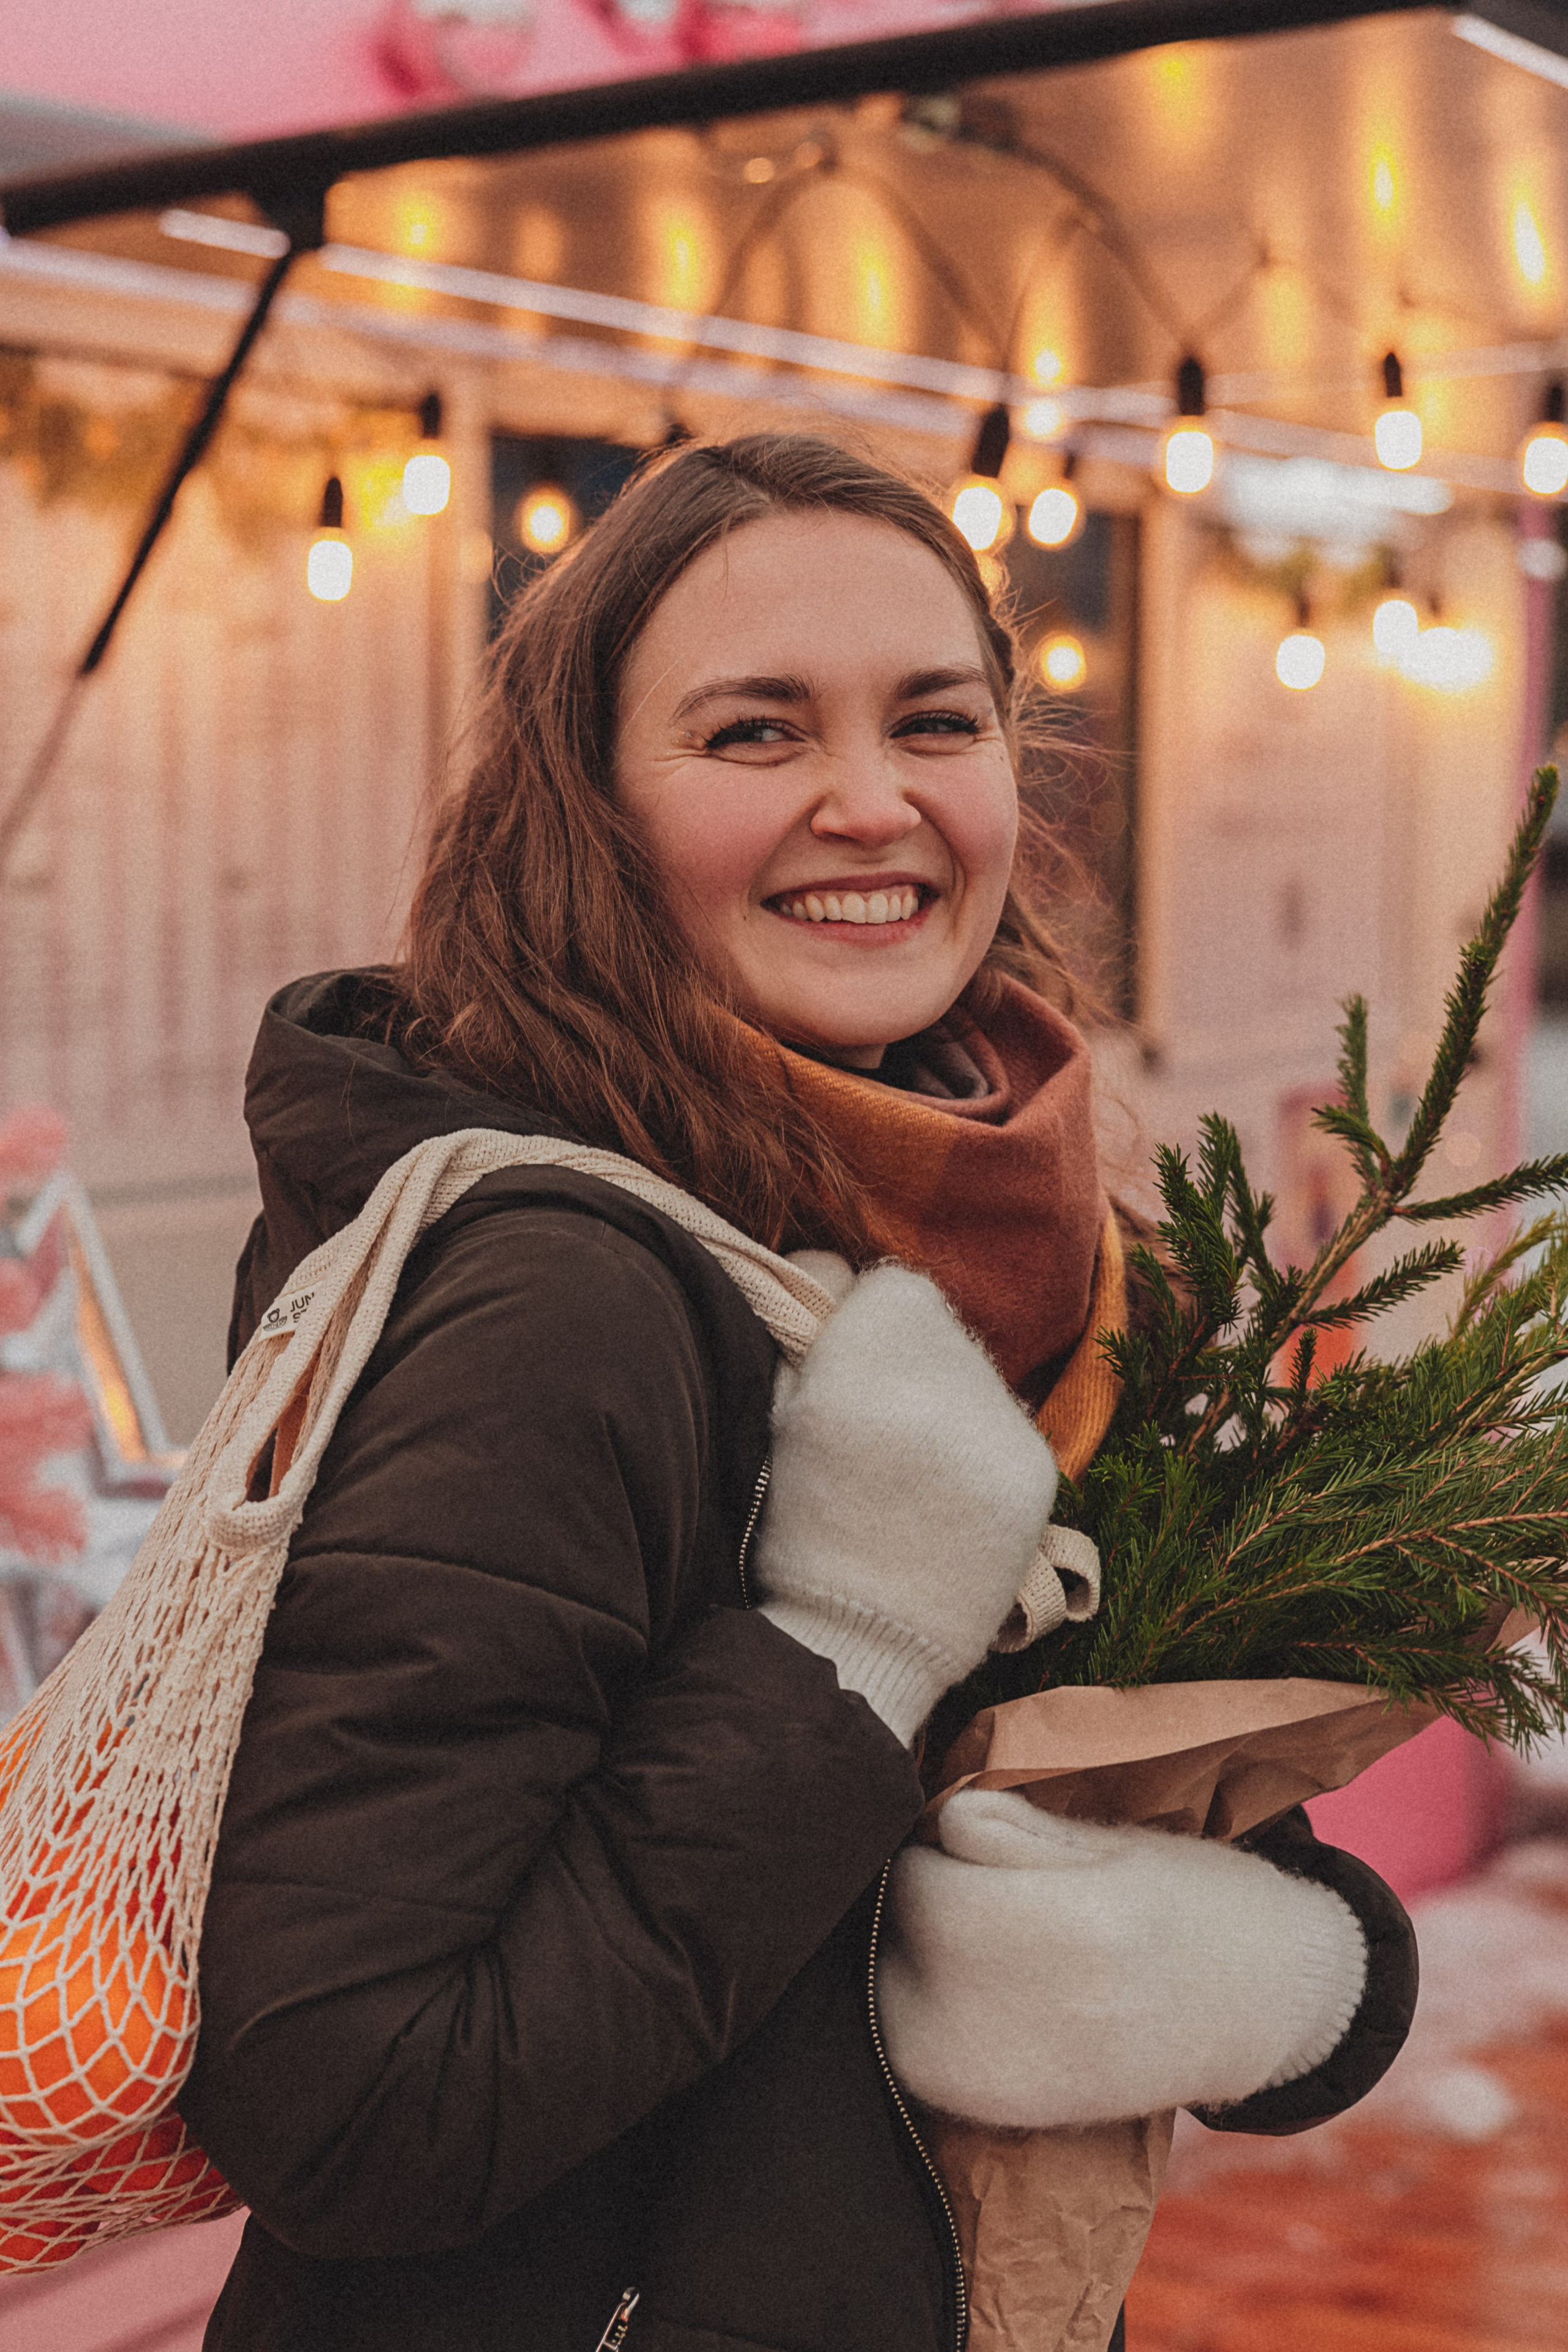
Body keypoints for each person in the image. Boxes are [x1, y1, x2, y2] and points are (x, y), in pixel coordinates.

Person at [181, 433, 1417, 2352]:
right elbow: (346, 2105)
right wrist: (840, 1653)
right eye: (755, 734)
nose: (871, 803)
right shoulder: (565, 1294)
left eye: (936, 720)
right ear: (584, 805)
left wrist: (1299, 1980)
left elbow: (1170, 1835)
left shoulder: (1036, 1267)